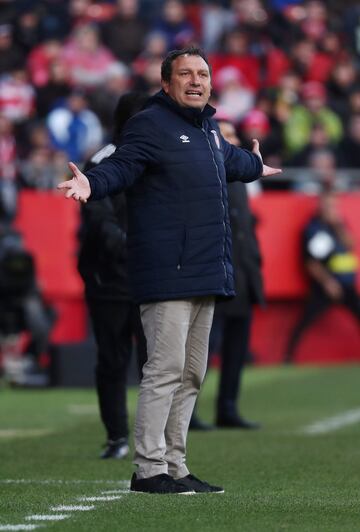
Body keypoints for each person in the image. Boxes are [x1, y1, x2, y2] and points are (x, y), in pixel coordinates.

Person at [58, 46, 281, 495]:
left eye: (203, 73)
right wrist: (91, 182)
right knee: (164, 371)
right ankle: (148, 469)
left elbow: (231, 161)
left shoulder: (210, 130)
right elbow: (120, 167)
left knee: (192, 372)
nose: (196, 81)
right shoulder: (149, 124)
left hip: (206, 270)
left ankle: (176, 467)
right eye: (186, 74)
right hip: (167, 270)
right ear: (166, 83)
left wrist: (255, 165)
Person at [77, 91, 148, 459]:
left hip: (151, 276)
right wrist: (134, 246)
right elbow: (98, 218)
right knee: (112, 358)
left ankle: (155, 441)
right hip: (110, 277)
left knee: (156, 363)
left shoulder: (159, 158)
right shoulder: (102, 160)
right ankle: (118, 436)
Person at [190, 118, 264, 431]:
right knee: (203, 349)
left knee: (236, 349)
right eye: (226, 134)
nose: (231, 139)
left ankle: (228, 407)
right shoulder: (202, 174)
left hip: (243, 275)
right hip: (217, 274)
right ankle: (188, 412)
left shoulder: (242, 179)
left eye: (234, 134)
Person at [284, 189, 360, 363]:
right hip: (326, 286)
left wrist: (338, 225)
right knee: (306, 320)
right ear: (321, 205)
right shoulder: (314, 229)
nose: (332, 209)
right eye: (328, 205)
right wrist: (328, 283)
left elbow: (351, 244)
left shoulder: (340, 225)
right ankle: (288, 357)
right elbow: (311, 262)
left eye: (334, 205)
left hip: (347, 284)